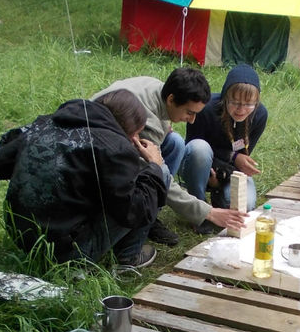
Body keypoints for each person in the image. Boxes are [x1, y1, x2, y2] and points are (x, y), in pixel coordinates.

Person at [0, 90, 169, 268]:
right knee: (159, 176)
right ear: (127, 128)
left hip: (22, 237)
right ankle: (128, 257)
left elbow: (0, 164)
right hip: (66, 252)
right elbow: (137, 211)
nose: (137, 139)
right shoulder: (114, 147)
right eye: (137, 133)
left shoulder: (44, 124)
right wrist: (154, 166)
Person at [92, 68, 246, 238]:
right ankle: (137, 236)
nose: (192, 120)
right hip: (94, 160)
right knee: (157, 173)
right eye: (189, 112)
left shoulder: (158, 88)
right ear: (171, 99)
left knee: (175, 143)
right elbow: (161, 176)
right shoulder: (146, 122)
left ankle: (153, 211)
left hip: (108, 137)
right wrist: (208, 213)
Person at [180, 65, 267, 215]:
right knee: (199, 148)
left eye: (248, 104)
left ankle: (219, 196)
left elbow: (244, 153)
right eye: (235, 102)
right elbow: (191, 148)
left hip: (229, 170)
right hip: (199, 163)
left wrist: (224, 177)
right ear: (225, 97)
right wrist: (230, 157)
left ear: (256, 102)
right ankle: (198, 206)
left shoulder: (259, 115)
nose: (241, 110)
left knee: (245, 206)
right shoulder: (205, 110)